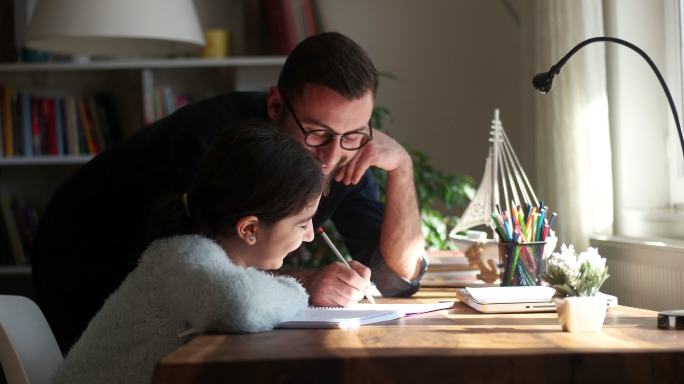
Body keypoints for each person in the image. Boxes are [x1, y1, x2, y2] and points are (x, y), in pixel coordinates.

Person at [32, 32, 427, 353]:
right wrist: (305, 284)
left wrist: (402, 169)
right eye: (317, 133)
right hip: (86, 256)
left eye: (352, 135)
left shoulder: (346, 153)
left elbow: (395, 279)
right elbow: (200, 273)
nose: (332, 156)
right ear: (275, 106)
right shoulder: (218, 149)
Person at [53, 122, 331, 384]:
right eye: (302, 223)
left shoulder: (196, 257)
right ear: (249, 229)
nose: (309, 234)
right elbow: (240, 305)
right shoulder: (183, 258)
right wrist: (297, 292)